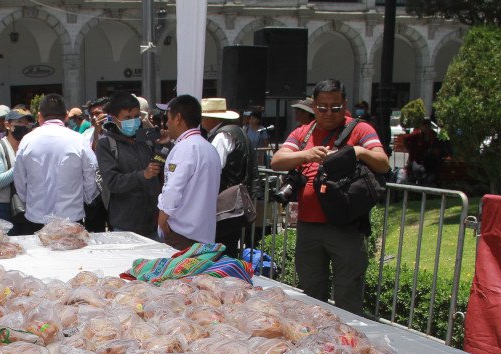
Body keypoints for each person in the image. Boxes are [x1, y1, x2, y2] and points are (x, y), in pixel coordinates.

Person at [270, 79, 389, 316]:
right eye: (322, 107)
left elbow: (383, 163)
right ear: (314, 107)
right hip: (309, 228)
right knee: (312, 296)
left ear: (344, 105)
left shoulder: (360, 129)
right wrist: (307, 155)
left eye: (335, 107)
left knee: (347, 296)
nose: (328, 113)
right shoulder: (304, 133)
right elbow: (277, 161)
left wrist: (356, 151)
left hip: (345, 228)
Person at [13, 94, 98, 235]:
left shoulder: (27, 141)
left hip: (36, 217)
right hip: (71, 217)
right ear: (66, 116)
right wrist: (85, 198)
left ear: (40, 116)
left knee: (39, 256)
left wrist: (29, 200)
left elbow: (19, 179)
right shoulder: (78, 140)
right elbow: (91, 173)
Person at [156, 95, 221, 250]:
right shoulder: (209, 148)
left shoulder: (184, 148)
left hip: (182, 235)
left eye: (168, 118)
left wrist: (161, 221)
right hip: (204, 235)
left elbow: (173, 190)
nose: (166, 123)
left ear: (178, 118)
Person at [95, 92, 161, 239]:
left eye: (137, 117)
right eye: (127, 118)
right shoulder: (106, 144)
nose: (133, 121)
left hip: (153, 224)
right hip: (125, 227)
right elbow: (113, 182)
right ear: (114, 118)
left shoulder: (147, 139)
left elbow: (167, 163)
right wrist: (143, 175)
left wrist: (164, 141)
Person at [200, 98, 257, 257]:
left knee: (221, 249)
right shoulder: (237, 131)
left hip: (225, 204)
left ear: (211, 118)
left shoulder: (222, 136)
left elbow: (212, 169)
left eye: (203, 117)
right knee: (229, 246)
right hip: (235, 202)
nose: (202, 121)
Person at [0, 109, 34, 224]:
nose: (24, 126)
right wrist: (21, 164)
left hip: (29, 206)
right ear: (8, 125)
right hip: (5, 207)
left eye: (26, 123)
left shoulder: (29, 147)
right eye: (19, 122)